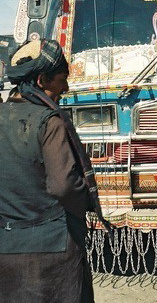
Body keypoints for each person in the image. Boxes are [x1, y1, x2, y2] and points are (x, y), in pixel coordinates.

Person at [0, 39, 100, 303]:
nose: (65, 88)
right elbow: (63, 186)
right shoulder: (50, 122)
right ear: (42, 79)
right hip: (53, 249)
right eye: (62, 80)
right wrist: (83, 207)